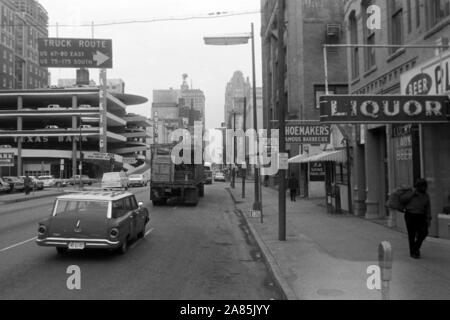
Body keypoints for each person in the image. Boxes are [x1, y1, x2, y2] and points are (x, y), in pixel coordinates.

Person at [400, 179, 432, 259]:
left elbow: (428, 207)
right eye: (423, 186)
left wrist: (428, 218)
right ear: (418, 187)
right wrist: (413, 193)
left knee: (423, 233)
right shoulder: (411, 193)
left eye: (425, 186)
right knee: (412, 234)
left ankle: (415, 248)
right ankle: (413, 252)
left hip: (421, 216)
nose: (425, 188)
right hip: (410, 215)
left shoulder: (426, 195)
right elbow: (403, 200)